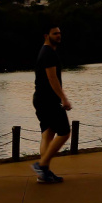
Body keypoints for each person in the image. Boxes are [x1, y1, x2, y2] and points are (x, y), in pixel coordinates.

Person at [31, 25, 72, 183]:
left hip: (41, 99)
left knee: (48, 133)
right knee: (64, 132)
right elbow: (52, 78)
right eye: (55, 33)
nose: (58, 36)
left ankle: (44, 174)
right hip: (48, 100)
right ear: (46, 35)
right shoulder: (48, 53)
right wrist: (64, 98)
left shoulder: (46, 51)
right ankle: (41, 166)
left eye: (60, 33)